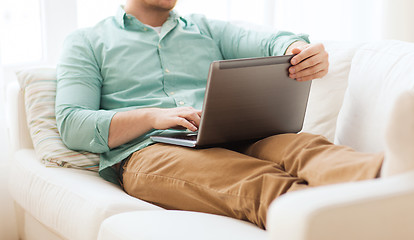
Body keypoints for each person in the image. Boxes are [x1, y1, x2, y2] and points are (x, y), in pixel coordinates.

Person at [55, 0, 413, 229]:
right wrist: (152, 116)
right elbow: (73, 122)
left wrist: (298, 51)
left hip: (231, 132)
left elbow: (274, 41)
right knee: (254, 180)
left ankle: (387, 180)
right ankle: (335, 221)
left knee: (302, 148)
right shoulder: (87, 40)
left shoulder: (206, 29)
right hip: (149, 150)